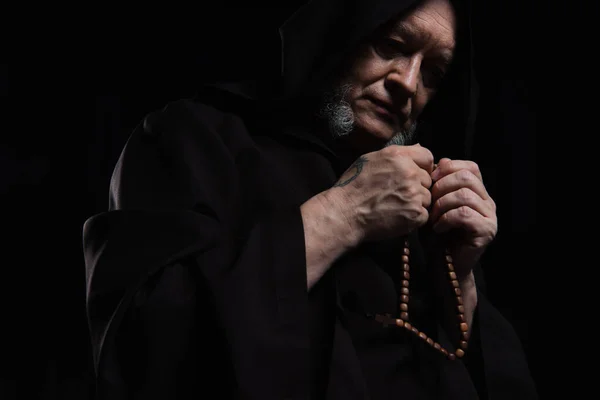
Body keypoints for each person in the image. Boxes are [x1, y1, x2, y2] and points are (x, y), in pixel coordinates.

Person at [83, 0, 537, 398]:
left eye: (434, 72)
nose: (409, 82)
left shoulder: (424, 206)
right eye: (392, 45)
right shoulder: (194, 138)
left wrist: (460, 281)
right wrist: (345, 213)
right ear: (342, 29)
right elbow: (146, 347)